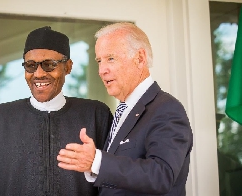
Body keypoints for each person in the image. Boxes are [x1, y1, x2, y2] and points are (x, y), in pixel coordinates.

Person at [0, 26, 113, 196]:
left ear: (68, 67)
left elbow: (112, 183)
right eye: (30, 66)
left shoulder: (95, 115)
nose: (38, 74)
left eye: (49, 65)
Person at [57, 22, 193, 195]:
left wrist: (97, 161)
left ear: (140, 59)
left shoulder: (166, 109)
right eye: (99, 61)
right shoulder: (123, 111)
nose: (101, 70)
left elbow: (161, 175)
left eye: (110, 58)